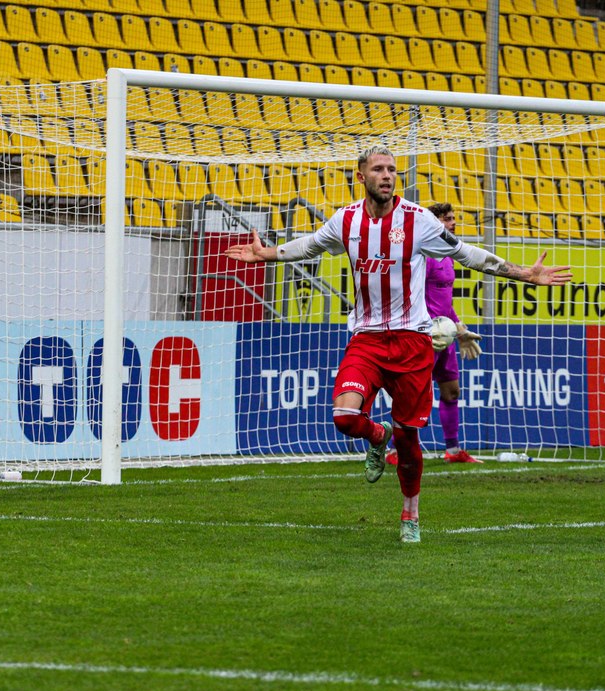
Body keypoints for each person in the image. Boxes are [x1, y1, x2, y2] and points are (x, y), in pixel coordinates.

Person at [224, 146, 572, 543]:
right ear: (361, 176)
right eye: (378, 169)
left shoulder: (419, 220)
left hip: (411, 342)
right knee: (342, 416)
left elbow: (466, 254)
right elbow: (310, 245)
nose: (387, 175)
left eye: (392, 169)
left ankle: (410, 514)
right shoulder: (347, 220)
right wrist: (267, 253)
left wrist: (523, 273)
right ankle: (376, 436)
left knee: (409, 439)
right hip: (367, 340)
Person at [386, 202, 483, 467]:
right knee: (415, 395)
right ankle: (394, 450)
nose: (453, 223)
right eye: (447, 219)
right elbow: (411, 295)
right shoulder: (424, 257)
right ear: (433, 223)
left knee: (451, 391)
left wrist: (459, 328)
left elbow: (445, 302)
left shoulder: (449, 256)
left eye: (454, 219)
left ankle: (453, 449)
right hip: (423, 336)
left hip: (445, 335)